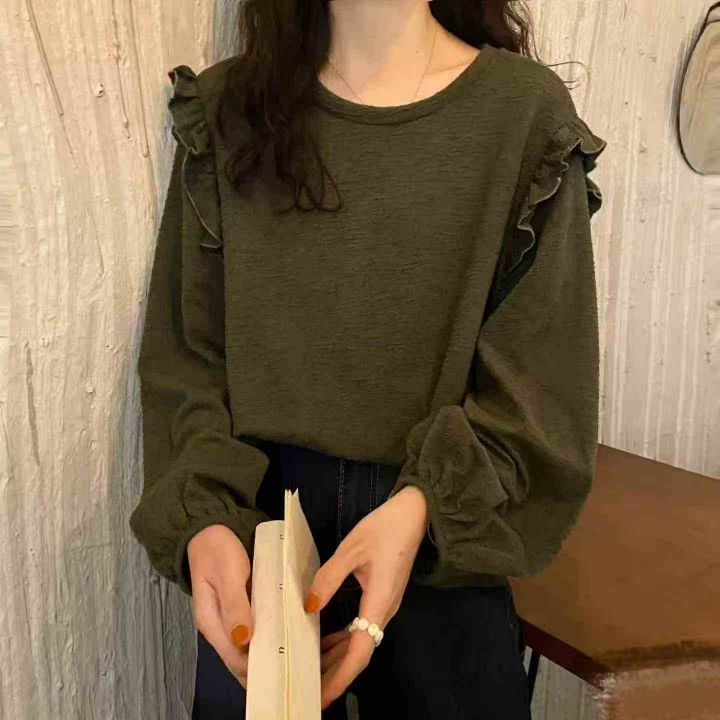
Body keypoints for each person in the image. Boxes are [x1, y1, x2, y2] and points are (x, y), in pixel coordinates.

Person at [129, 1, 607, 718]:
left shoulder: (521, 118)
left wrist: (424, 509)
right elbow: (186, 363)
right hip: (263, 561)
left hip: (442, 555)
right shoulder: (229, 111)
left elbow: (542, 394)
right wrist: (205, 522)